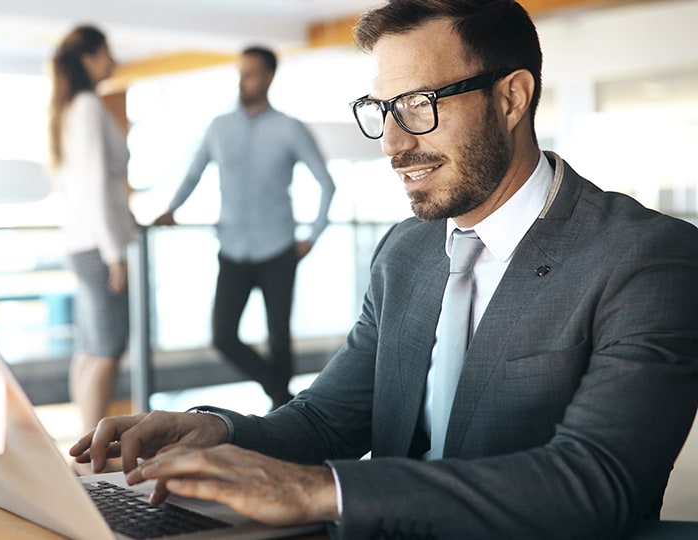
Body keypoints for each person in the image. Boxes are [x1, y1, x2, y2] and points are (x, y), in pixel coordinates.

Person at [71, 1, 698, 538]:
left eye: (420, 105)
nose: (395, 144)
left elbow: (594, 483)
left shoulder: (650, 259)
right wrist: (214, 430)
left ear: (512, 97)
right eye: (382, 109)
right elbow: (328, 419)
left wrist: (322, 492)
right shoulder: (406, 251)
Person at [153, 46, 336, 410]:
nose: (242, 80)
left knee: (279, 339)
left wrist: (312, 236)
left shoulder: (289, 128)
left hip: (278, 249)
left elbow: (326, 184)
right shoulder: (218, 127)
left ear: (268, 76)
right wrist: (171, 209)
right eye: (240, 73)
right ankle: (283, 396)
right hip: (233, 249)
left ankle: (285, 417)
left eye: (250, 73)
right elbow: (194, 173)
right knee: (223, 337)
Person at [47, 25, 136, 433]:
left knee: (90, 348)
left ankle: (83, 447)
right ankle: (89, 451)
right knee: (106, 349)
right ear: (88, 58)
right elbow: (97, 183)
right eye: (105, 53)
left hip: (84, 243)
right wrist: (115, 253)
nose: (112, 61)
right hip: (100, 247)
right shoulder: (86, 106)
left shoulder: (70, 108)